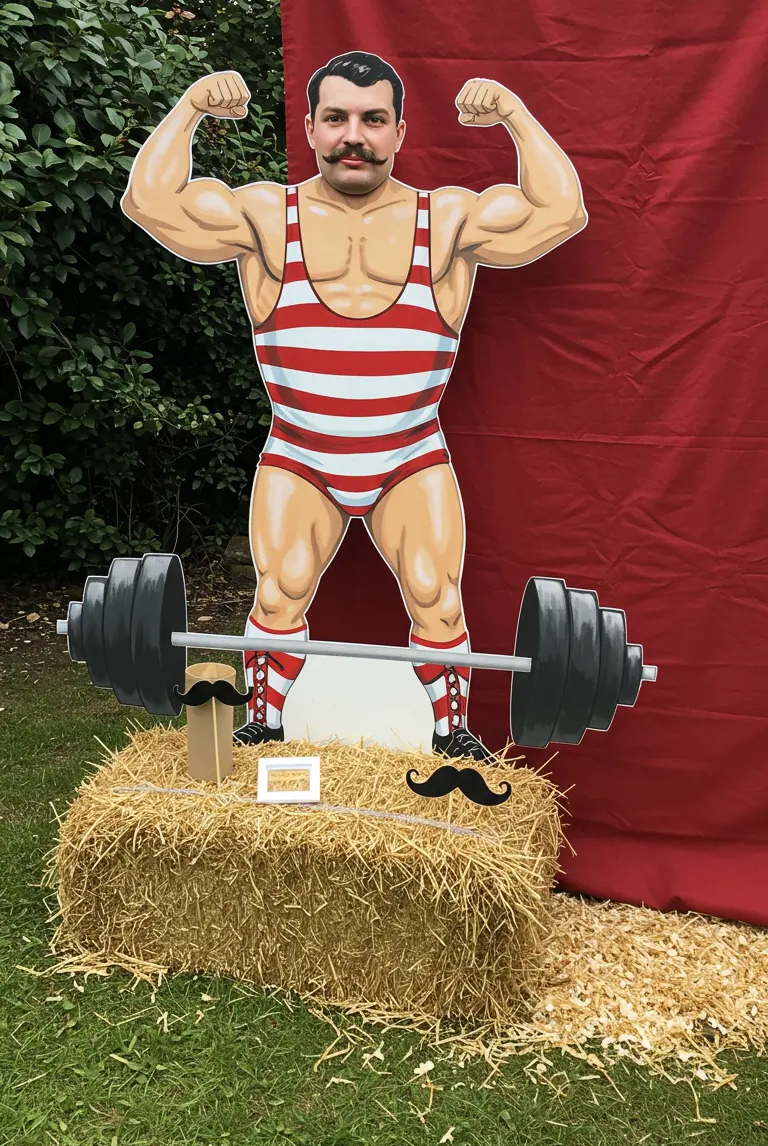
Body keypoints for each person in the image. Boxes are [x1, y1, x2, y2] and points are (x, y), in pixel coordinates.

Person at [122, 52, 587, 761]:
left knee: (438, 597)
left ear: (400, 131)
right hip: (301, 456)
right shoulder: (265, 215)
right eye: (336, 118)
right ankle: (264, 730)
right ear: (309, 127)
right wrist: (190, 106)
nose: (354, 135)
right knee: (277, 595)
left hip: (409, 457)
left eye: (373, 120)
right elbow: (149, 203)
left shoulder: (449, 218)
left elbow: (562, 212)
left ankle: (452, 739)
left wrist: (516, 117)